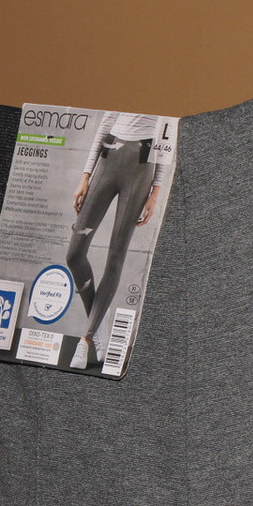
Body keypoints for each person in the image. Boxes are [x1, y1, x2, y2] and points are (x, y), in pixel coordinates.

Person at [65, 111, 167, 369]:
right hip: (110, 153)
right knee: (74, 254)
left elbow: (169, 135)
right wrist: (86, 174)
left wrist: (156, 191)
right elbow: (106, 122)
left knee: (115, 256)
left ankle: (86, 340)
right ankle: (98, 320)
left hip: (143, 161)